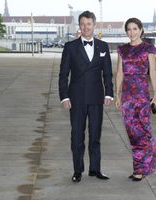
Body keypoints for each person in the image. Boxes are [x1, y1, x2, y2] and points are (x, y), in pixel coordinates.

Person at [59, 11, 113, 183]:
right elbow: (63, 74)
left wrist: (109, 93)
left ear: (94, 25)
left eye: (88, 24)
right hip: (76, 99)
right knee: (77, 136)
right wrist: (64, 97)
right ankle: (77, 170)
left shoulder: (103, 46)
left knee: (95, 135)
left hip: (97, 98)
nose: (85, 27)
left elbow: (107, 73)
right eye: (82, 24)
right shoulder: (70, 47)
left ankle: (95, 169)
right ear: (79, 26)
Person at [115, 18, 156, 181]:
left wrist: (155, 92)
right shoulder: (122, 50)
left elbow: (152, 72)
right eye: (128, 29)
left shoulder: (148, 48)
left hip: (142, 94)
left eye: (134, 29)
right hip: (127, 95)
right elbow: (119, 72)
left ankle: (142, 166)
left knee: (144, 131)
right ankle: (140, 167)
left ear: (141, 30)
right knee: (132, 132)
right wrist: (117, 93)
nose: (131, 32)